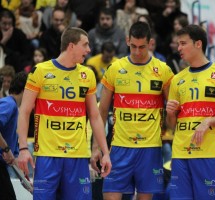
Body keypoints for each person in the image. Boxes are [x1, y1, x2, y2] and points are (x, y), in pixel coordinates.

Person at [17, 27, 111, 199]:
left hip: (77, 156)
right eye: (85, 45)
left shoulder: (88, 74)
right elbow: (24, 111)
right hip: (47, 155)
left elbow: (95, 116)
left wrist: (105, 153)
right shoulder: (41, 71)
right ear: (71, 46)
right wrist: (23, 148)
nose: (89, 50)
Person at [90, 21, 174, 200]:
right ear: (127, 40)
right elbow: (102, 111)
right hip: (119, 147)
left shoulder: (163, 71)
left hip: (150, 148)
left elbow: (173, 111)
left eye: (142, 47)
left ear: (150, 43)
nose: (137, 52)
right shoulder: (115, 69)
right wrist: (96, 148)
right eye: (133, 46)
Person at [166, 24, 215, 199]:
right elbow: (172, 126)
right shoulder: (177, 79)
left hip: (210, 154)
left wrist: (210, 120)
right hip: (180, 154)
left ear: (198, 44)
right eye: (178, 44)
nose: (178, 48)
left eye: (183, 43)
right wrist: (170, 113)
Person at [0, 71, 28, 200]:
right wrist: (6, 149)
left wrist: (25, 180)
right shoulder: (9, 104)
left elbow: (13, 157)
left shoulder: (15, 109)